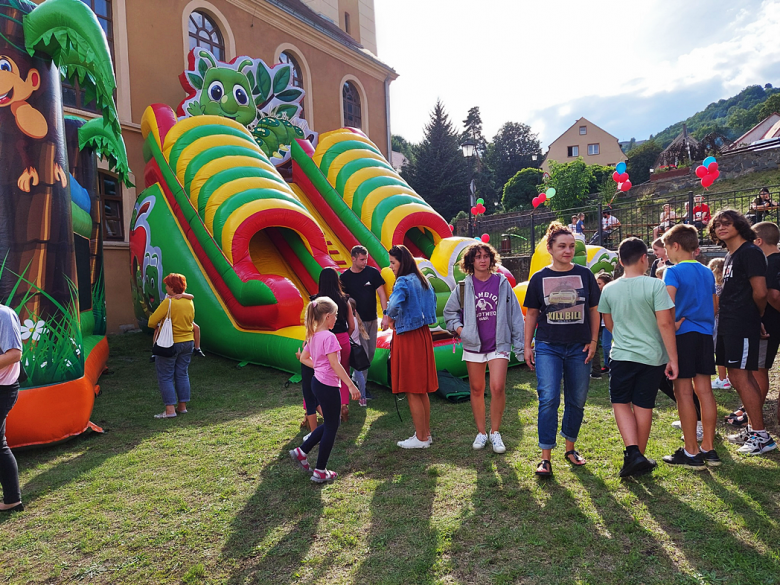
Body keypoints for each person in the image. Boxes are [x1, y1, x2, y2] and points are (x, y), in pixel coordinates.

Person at [523, 222, 600, 476]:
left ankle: (570, 448)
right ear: (550, 248)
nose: (567, 251)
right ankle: (545, 457)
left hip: (580, 347)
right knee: (548, 399)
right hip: (548, 346)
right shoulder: (539, 278)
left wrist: (593, 341)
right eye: (562, 246)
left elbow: (593, 311)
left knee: (576, 400)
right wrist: (527, 345)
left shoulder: (586, 275)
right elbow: (532, 314)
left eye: (571, 246)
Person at [598, 238, 678, 477]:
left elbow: (608, 323)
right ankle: (637, 456)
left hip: (622, 355)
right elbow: (665, 323)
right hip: (652, 357)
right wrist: (672, 358)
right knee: (644, 405)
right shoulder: (656, 286)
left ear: (621, 261)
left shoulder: (609, 288)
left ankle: (634, 454)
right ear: (645, 258)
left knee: (621, 402)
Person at [443, 243, 524, 454]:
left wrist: (521, 345)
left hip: (499, 343)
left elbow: (516, 315)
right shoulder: (463, 286)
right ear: (470, 261)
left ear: (491, 259)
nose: (482, 260)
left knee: (497, 386)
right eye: (478, 256)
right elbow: (449, 314)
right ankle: (481, 432)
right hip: (473, 345)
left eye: (486, 256)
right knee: (477, 389)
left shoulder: (502, 283)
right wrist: (462, 331)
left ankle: (495, 432)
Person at [709, 210, 776, 455]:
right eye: (717, 224)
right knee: (736, 378)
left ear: (740, 225)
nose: (721, 227)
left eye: (727, 223)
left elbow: (760, 292)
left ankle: (761, 436)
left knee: (743, 377)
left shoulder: (750, 252)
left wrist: (755, 316)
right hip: (729, 322)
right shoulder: (730, 255)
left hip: (741, 323)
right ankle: (752, 429)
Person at [660, 224, 720, 469]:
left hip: (683, 335)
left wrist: (672, 324)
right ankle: (709, 447)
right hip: (705, 335)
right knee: (705, 391)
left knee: (683, 392)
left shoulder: (672, 271)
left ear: (675, 246)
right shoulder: (707, 272)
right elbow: (715, 307)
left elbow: (667, 303)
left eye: (666, 248)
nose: (666, 254)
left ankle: (691, 451)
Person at [290, 297, 361, 483]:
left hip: (318, 383)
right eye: (336, 315)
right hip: (328, 385)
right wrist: (351, 385)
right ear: (327, 316)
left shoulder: (312, 335)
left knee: (332, 422)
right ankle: (320, 470)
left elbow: (304, 358)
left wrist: (319, 367)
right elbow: (336, 365)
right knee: (332, 425)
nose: (337, 319)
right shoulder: (329, 337)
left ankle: (302, 451)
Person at [385, 245, 438, 449]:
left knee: (412, 389)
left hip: (407, 336)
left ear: (402, 262)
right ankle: (425, 434)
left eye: (393, 263)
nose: (390, 267)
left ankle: (421, 438)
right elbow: (432, 304)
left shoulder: (403, 281)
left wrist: (389, 318)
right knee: (421, 389)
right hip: (422, 334)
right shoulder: (422, 279)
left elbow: (394, 305)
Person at [147, 273, 195, 419]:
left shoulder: (168, 303)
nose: (165, 287)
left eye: (167, 285)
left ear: (173, 287)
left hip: (170, 344)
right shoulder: (189, 302)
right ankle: (182, 407)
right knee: (182, 373)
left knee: (165, 376)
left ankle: (169, 410)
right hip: (188, 341)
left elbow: (151, 322)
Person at [313, 268, 354, 422]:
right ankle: (343, 404)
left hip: (321, 340)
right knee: (343, 372)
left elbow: (311, 326)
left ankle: (315, 410)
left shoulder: (316, 301)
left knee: (319, 373)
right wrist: (344, 338)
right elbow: (352, 325)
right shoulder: (345, 299)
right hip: (342, 338)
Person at [339, 246, 388, 371]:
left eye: (366, 259)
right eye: (362, 259)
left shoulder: (372, 272)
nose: (365, 262)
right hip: (357, 321)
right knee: (364, 353)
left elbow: (382, 294)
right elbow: (343, 299)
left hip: (373, 318)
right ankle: (361, 386)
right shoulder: (345, 278)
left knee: (371, 351)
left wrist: (385, 315)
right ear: (353, 259)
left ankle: (357, 379)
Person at [751, 222, 780, 427]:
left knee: (759, 370)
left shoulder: (769, 262)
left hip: (769, 324)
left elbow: (772, 294)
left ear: (759, 241)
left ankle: (754, 419)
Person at [0, 301, 23, 512]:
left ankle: (12, 499)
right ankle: (12, 498)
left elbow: (15, 354)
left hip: (3, 389)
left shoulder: (3, 314)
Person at [708, 258, 731, 391]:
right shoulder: (726, 285)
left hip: (717, 321)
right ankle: (726, 377)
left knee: (719, 352)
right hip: (726, 319)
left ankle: (723, 378)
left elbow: (714, 308)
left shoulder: (716, 287)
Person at [348, 297, 371, 407]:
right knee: (359, 374)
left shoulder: (349, 322)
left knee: (347, 372)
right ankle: (362, 398)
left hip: (350, 349)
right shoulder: (356, 319)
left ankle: (358, 396)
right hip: (357, 349)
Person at [590, 272, 613, 379]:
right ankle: (605, 367)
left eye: (599, 283)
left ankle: (610, 365)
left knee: (606, 345)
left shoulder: (612, 293)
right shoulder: (596, 294)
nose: (597, 286)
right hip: (599, 323)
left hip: (609, 323)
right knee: (600, 345)